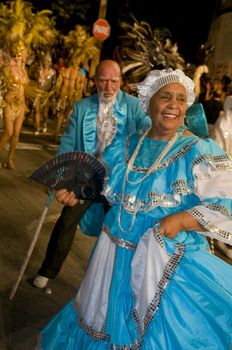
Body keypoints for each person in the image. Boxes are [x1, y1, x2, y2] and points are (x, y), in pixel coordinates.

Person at [37, 68, 232, 349]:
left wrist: (182, 219)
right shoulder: (124, 146)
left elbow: (227, 199)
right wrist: (78, 196)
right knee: (100, 324)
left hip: (162, 262)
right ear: (148, 102)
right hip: (110, 259)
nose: (174, 105)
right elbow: (104, 192)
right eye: (166, 97)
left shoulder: (196, 150)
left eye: (180, 99)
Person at [33, 59, 151, 289]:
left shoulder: (133, 106)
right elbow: (68, 142)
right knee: (66, 222)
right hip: (86, 176)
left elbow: (147, 127)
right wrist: (59, 174)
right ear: (95, 81)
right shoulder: (82, 106)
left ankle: (109, 281)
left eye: (114, 81)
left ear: (121, 81)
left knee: (117, 229)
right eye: (103, 80)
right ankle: (48, 270)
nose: (108, 86)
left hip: (118, 180)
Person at [0, 43, 29, 170]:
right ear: (18, 53)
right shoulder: (8, 68)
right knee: (8, 132)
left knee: (16, 134)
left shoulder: (23, 70)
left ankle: (9, 159)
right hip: (9, 104)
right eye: (25, 52)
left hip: (21, 105)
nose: (26, 55)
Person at [33, 53, 56, 135]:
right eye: (44, 61)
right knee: (37, 110)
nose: (45, 63)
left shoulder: (53, 73)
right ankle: (37, 127)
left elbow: (53, 85)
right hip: (38, 93)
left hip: (46, 95)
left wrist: (51, 95)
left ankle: (45, 123)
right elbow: (34, 80)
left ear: (50, 62)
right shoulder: (39, 70)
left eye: (47, 61)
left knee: (45, 113)